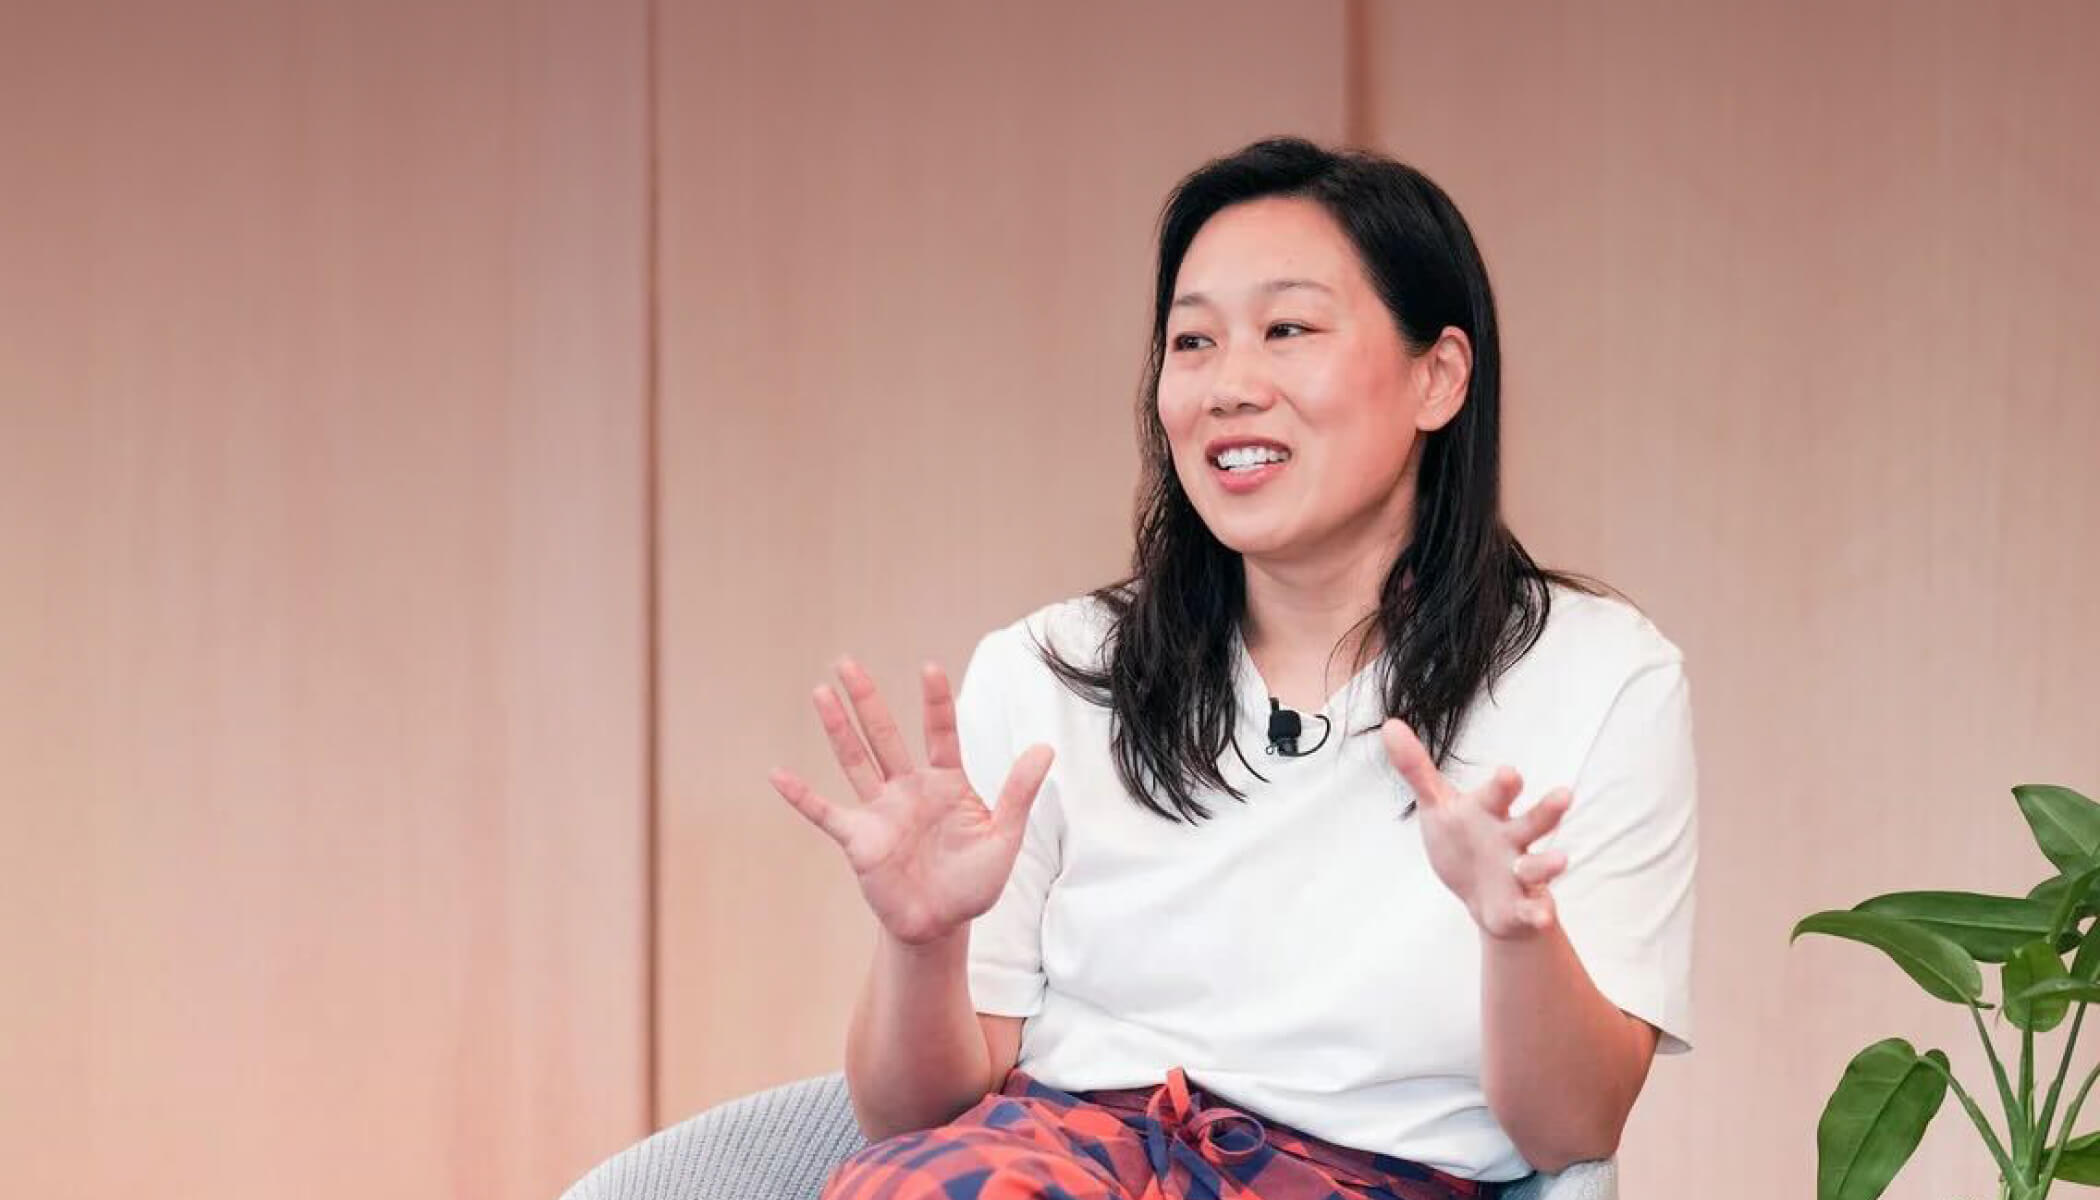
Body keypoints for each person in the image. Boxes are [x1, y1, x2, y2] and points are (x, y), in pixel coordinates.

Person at [767, 137, 1697, 1200]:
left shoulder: (1597, 676)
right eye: (1193, 341)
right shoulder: (1052, 670)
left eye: (1288, 330)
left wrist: (1516, 932)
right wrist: (922, 941)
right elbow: (908, 1126)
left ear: (1437, 376)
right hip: (1061, 1159)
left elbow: (1571, 1129)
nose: (1229, 387)